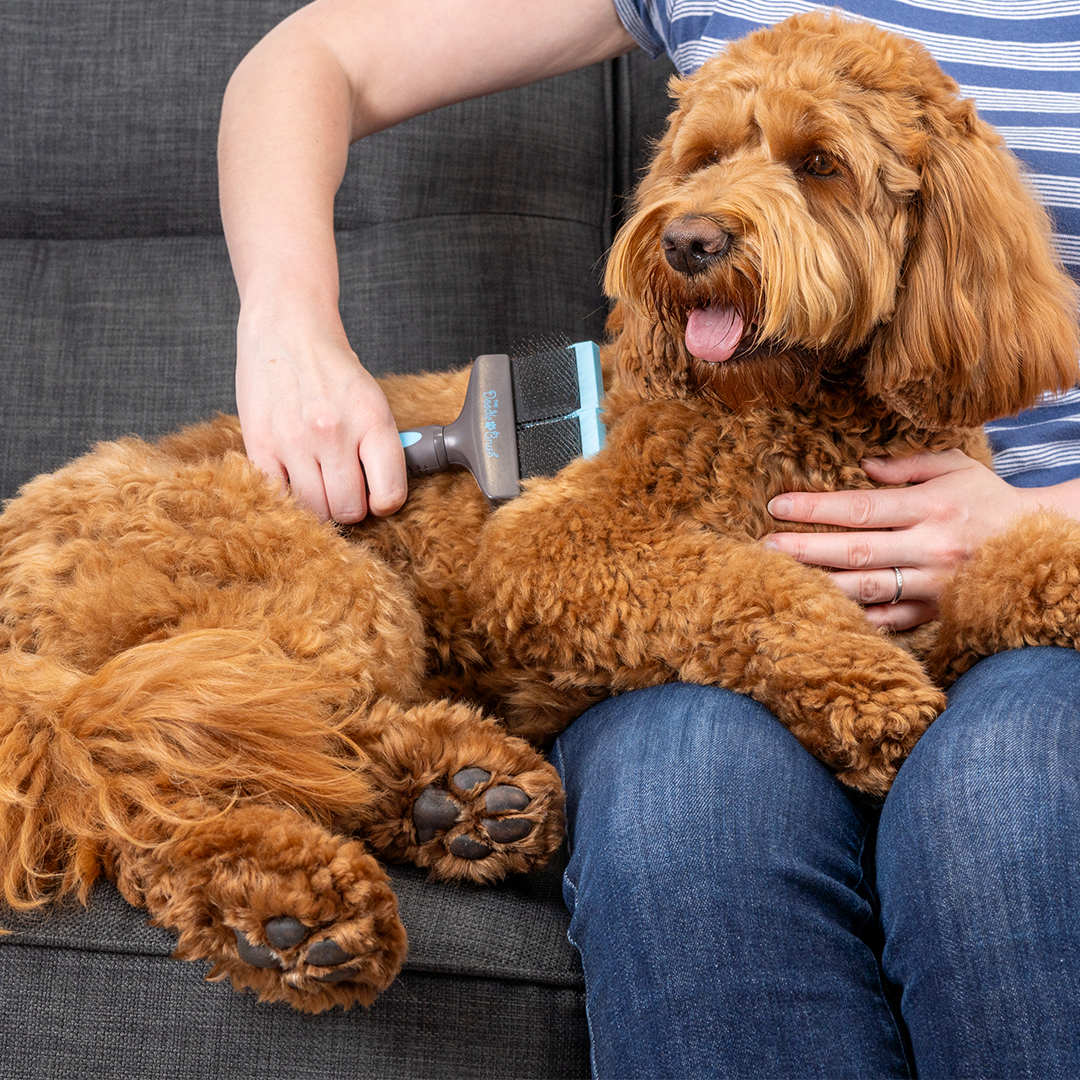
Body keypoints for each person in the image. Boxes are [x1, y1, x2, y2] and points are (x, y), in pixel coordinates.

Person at [218, 2, 1080, 1076]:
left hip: (1032, 544)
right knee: (685, 798)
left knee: (1005, 794)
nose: (704, 217)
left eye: (814, 166)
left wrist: (1051, 520)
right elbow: (314, 54)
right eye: (710, 159)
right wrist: (288, 324)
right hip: (697, 600)